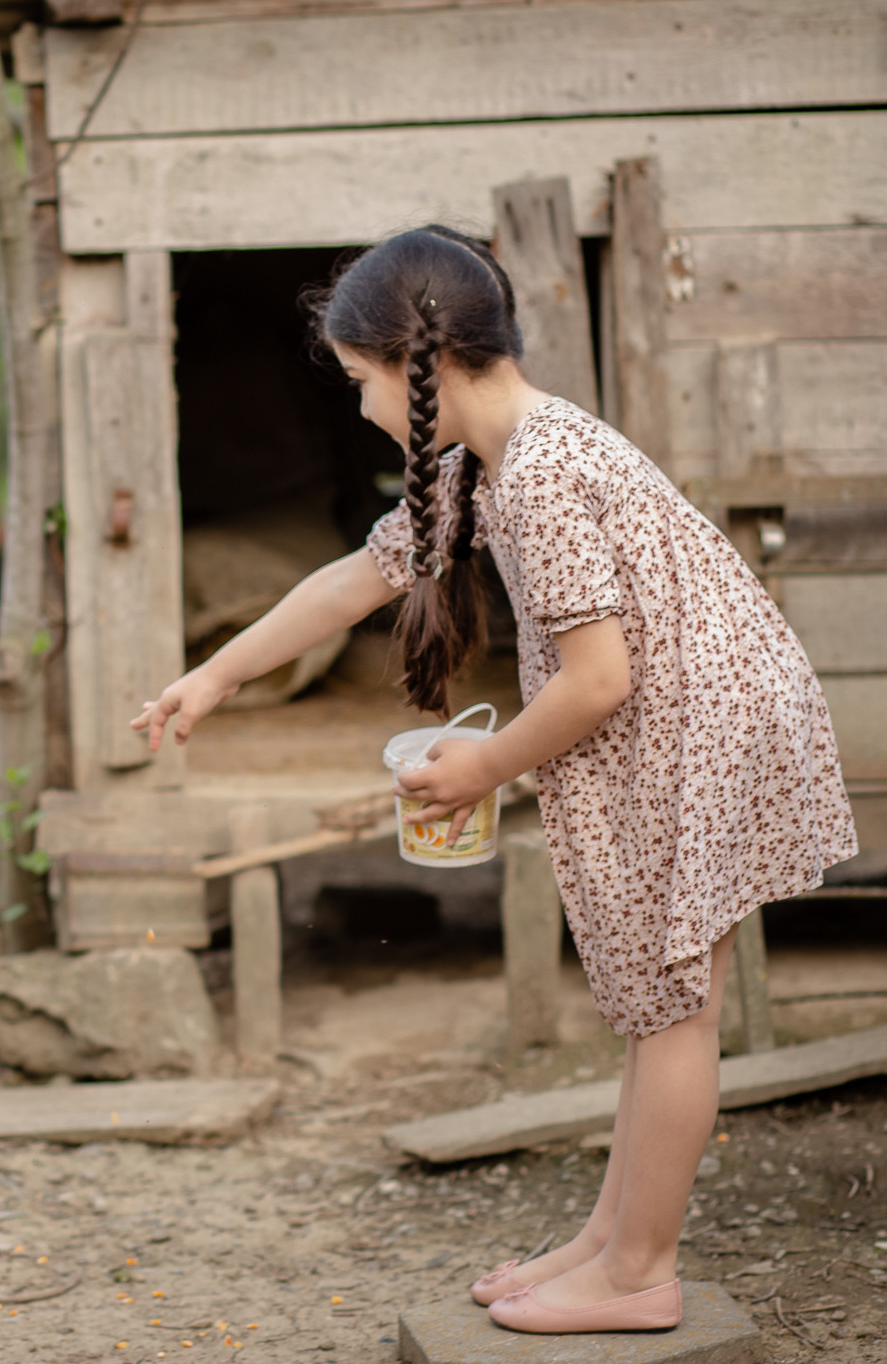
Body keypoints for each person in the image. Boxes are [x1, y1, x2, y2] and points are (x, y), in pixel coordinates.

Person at [130, 225, 857, 1334]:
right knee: (658, 1001)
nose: (361, 407)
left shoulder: (541, 480)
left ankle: (640, 1270)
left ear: (414, 364)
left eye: (360, 380)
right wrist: (216, 674)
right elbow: (356, 578)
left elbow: (599, 678)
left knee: (672, 1005)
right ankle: (610, 1241)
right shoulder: (493, 460)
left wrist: (488, 764)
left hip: (700, 720)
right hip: (699, 704)